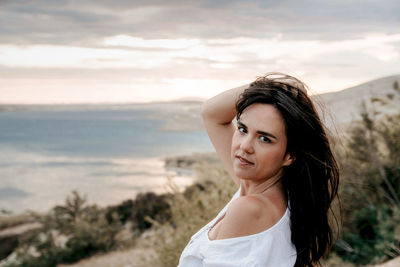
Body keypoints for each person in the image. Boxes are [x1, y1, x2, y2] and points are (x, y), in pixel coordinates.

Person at [178, 73, 340, 267]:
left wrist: (277, 87)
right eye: (243, 129)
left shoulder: (250, 209)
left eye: (265, 139)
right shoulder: (271, 192)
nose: (245, 146)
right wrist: (274, 87)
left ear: (290, 155)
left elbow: (211, 114)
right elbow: (211, 114)